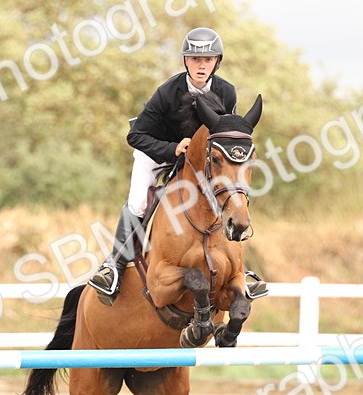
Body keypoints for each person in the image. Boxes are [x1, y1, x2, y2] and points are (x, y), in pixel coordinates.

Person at [87, 26, 268, 304]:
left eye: (207, 60)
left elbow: (223, 133)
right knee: (138, 202)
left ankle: (240, 271)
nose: (201, 65)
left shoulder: (226, 91)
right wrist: (172, 149)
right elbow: (135, 136)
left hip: (201, 160)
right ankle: (114, 267)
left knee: (227, 198)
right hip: (156, 151)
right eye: (195, 59)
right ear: (186, 61)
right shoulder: (167, 92)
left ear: (216, 62)